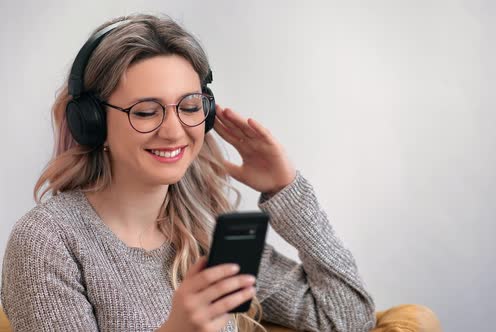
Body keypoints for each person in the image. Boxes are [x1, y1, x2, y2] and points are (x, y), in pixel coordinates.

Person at [1, 13, 375, 332]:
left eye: (190, 106)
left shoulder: (205, 229)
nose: (175, 131)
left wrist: (285, 189)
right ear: (92, 124)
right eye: (146, 112)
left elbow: (347, 318)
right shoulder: (47, 242)